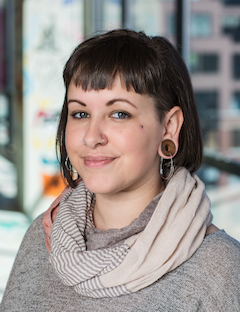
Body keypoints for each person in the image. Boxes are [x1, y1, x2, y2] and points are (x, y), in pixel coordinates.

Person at [1, 29, 240, 312]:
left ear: (169, 127)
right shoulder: (43, 239)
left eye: (119, 114)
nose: (91, 137)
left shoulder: (219, 269)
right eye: (80, 113)